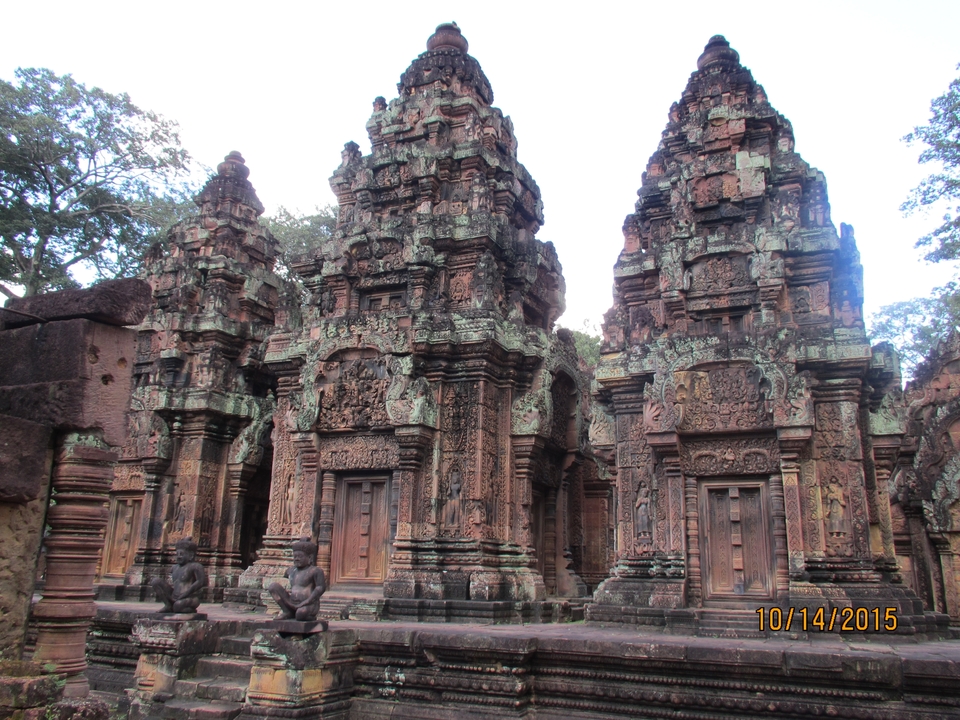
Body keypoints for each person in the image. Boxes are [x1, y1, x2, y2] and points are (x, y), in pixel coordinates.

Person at [268, 538, 327, 622]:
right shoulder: (291, 570)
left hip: (308, 604)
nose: (297, 559)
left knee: (300, 615)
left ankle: (309, 616)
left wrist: (307, 601)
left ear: (310, 557)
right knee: (273, 587)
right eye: (295, 556)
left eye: (300, 556)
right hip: (291, 602)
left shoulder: (315, 571)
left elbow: (320, 588)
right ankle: (287, 611)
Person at [151, 537, 207, 613]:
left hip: (190, 597)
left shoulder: (196, 566)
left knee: (177, 606)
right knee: (155, 581)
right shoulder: (174, 567)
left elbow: (201, 582)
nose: (178, 556)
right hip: (175, 595)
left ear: (191, 555)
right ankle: (168, 605)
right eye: (177, 554)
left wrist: (185, 594)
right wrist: (174, 596)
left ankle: (188, 609)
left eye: (182, 554)